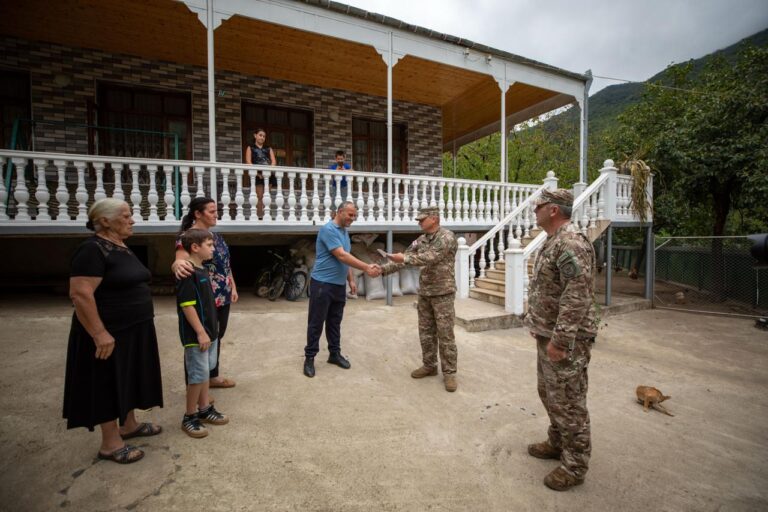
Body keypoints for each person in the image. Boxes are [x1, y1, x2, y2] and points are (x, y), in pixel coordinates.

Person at [63, 198, 163, 464]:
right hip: (108, 332)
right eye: (126, 216)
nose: (132, 220)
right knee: (106, 381)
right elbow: (80, 294)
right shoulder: (92, 249)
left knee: (127, 376)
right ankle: (110, 443)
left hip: (133, 329)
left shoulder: (119, 247)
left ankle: (128, 425)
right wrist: (99, 333)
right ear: (104, 220)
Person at [523, 188, 598, 491]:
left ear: (553, 210)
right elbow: (550, 290)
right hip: (548, 332)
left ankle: (575, 464)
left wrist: (561, 340)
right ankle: (557, 442)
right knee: (550, 393)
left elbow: (577, 296)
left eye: (538, 206)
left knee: (569, 402)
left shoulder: (571, 243)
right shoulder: (553, 241)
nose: (534, 211)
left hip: (567, 340)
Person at [380, 206, 459, 392]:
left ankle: (449, 373)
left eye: (422, 219)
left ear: (434, 218)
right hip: (425, 293)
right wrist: (382, 269)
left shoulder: (447, 237)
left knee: (445, 334)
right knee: (426, 332)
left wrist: (404, 259)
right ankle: (430, 365)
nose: (419, 222)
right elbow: (406, 257)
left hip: (443, 293)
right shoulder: (421, 240)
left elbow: (428, 257)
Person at [303, 201, 381, 378]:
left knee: (334, 322)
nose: (352, 218)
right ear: (339, 212)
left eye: (355, 215)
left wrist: (351, 280)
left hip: (338, 285)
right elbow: (341, 255)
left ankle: (334, 354)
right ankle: (309, 358)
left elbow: (346, 259)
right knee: (316, 322)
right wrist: (367, 267)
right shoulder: (328, 230)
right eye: (350, 215)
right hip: (322, 284)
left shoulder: (344, 232)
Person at [172, 197, 239, 391]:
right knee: (199, 342)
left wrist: (232, 286)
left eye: (216, 211)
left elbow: (225, 264)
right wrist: (176, 264)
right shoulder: (188, 237)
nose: (216, 215)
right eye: (211, 211)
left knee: (216, 336)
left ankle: (212, 376)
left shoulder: (214, 236)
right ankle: (196, 385)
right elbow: (181, 262)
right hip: (204, 298)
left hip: (223, 294)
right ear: (198, 214)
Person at [176, 229, 229, 438]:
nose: (213, 249)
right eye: (209, 245)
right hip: (197, 335)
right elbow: (187, 305)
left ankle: (205, 408)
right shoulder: (187, 272)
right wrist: (200, 332)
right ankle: (189, 416)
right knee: (197, 375)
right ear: (195, 248)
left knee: (206, 371)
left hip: (209, 332)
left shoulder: (202, 269)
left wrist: (211, 331)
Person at [245, 127, 277, 219]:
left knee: (267, 195)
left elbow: (273, 161)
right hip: (257, 175)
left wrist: (268, 172)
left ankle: (267, 216)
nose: (262, 137)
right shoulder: (250, 148)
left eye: (264, 136)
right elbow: (248, 161)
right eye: (260, 135)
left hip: (268, 175)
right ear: (255, 136)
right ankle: (260, 216)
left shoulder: (268, 148)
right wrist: (258, 174)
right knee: (259, 196)